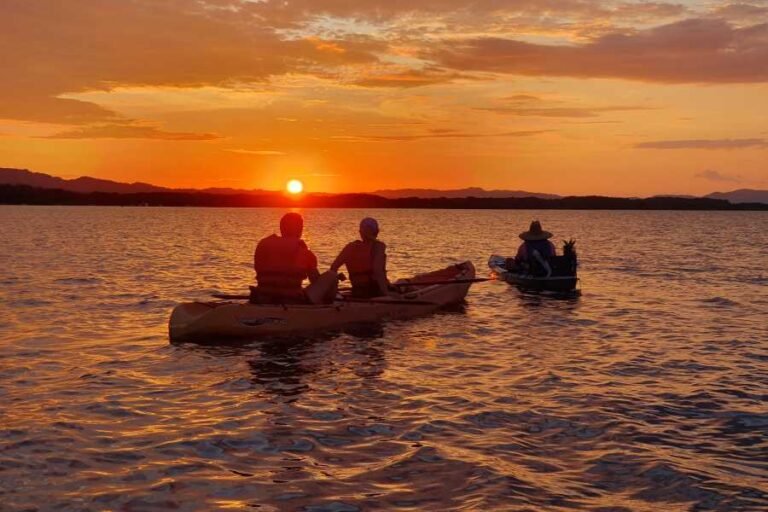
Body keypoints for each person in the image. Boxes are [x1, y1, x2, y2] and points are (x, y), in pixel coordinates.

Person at [252, 212, 320, 303]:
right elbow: (315, 281)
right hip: (291, 300)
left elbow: (258, 269)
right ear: (299, 229)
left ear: (281, 228)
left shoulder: (263, 244)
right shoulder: (302, 248)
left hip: (262, 297)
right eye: (301, 227)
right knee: (331, 277)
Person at [330, 217, 389, 298]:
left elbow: (333, 268)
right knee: (397, 294)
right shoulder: (379, 246)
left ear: (360, 232)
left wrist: (338, 282)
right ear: (376, 231)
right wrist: (386, 293)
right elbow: (377, 271)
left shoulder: (350, 247)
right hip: (374, 292)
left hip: (357, 290)